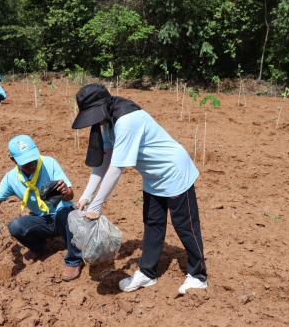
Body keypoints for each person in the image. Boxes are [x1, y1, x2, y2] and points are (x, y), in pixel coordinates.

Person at [72, 83, 207, 294]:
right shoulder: (108, 122)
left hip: (174, 171)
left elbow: (117, 168)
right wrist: (86, 197)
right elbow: (104, 161)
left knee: (185, 225)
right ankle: (147, 273)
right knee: (153, 223)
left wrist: (97, 206)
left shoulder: (126, 120)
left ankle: (198, 276)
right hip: (152, 176)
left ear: (101, 107)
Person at [0, 134, 83, 281]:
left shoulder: (49, 163)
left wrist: (66, 192)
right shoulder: (11, 179)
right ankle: (39, 248)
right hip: (41, 219)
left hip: (64, 217)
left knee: (65, 213)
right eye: (26, 163)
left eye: (33, 160)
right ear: (13, 160)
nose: (32, 165)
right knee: (16, 226)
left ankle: (74, 260)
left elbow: (70, 196)